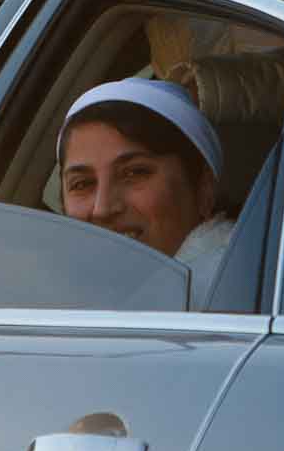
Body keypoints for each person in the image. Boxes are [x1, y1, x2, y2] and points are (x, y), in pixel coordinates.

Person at [57, 77, 234, 306]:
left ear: (203, 190)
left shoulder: (230, 298)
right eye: (82, 184)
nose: (103, 209)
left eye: (134, 173)